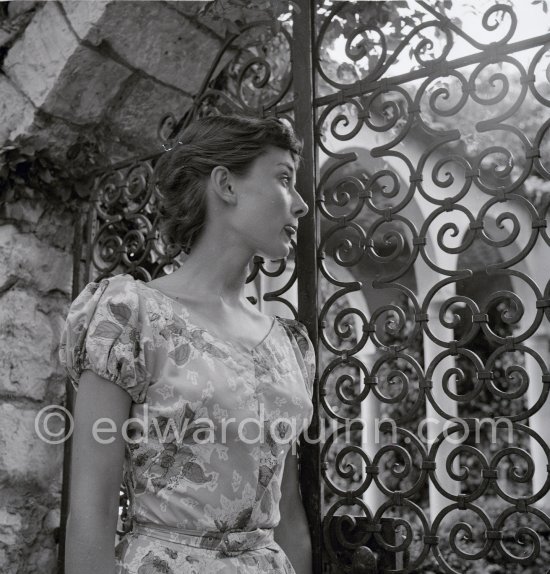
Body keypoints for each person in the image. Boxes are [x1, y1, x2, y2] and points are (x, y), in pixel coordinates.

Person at [59, 114, 315, 574]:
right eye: (284, 179)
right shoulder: (129, 314)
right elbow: (91, 515)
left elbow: (289, 513)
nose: (300, 205)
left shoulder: (289, 344)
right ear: (226, 185)